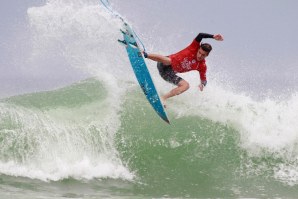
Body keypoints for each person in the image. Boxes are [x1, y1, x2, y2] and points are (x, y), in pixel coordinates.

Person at [143, 33, 224, 106]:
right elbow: (200, 35)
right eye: (199, 52)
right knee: (169, 61)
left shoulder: (202, 66)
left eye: (203, 55)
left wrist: (202, 84)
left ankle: (163, 98)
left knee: (186, 86)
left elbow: (204, 79)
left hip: (168, 74)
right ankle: (145, 55)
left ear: (206, 55)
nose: (199, 55)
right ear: (198, 49)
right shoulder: (193, 47)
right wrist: (213, 36)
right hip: (163, 64)